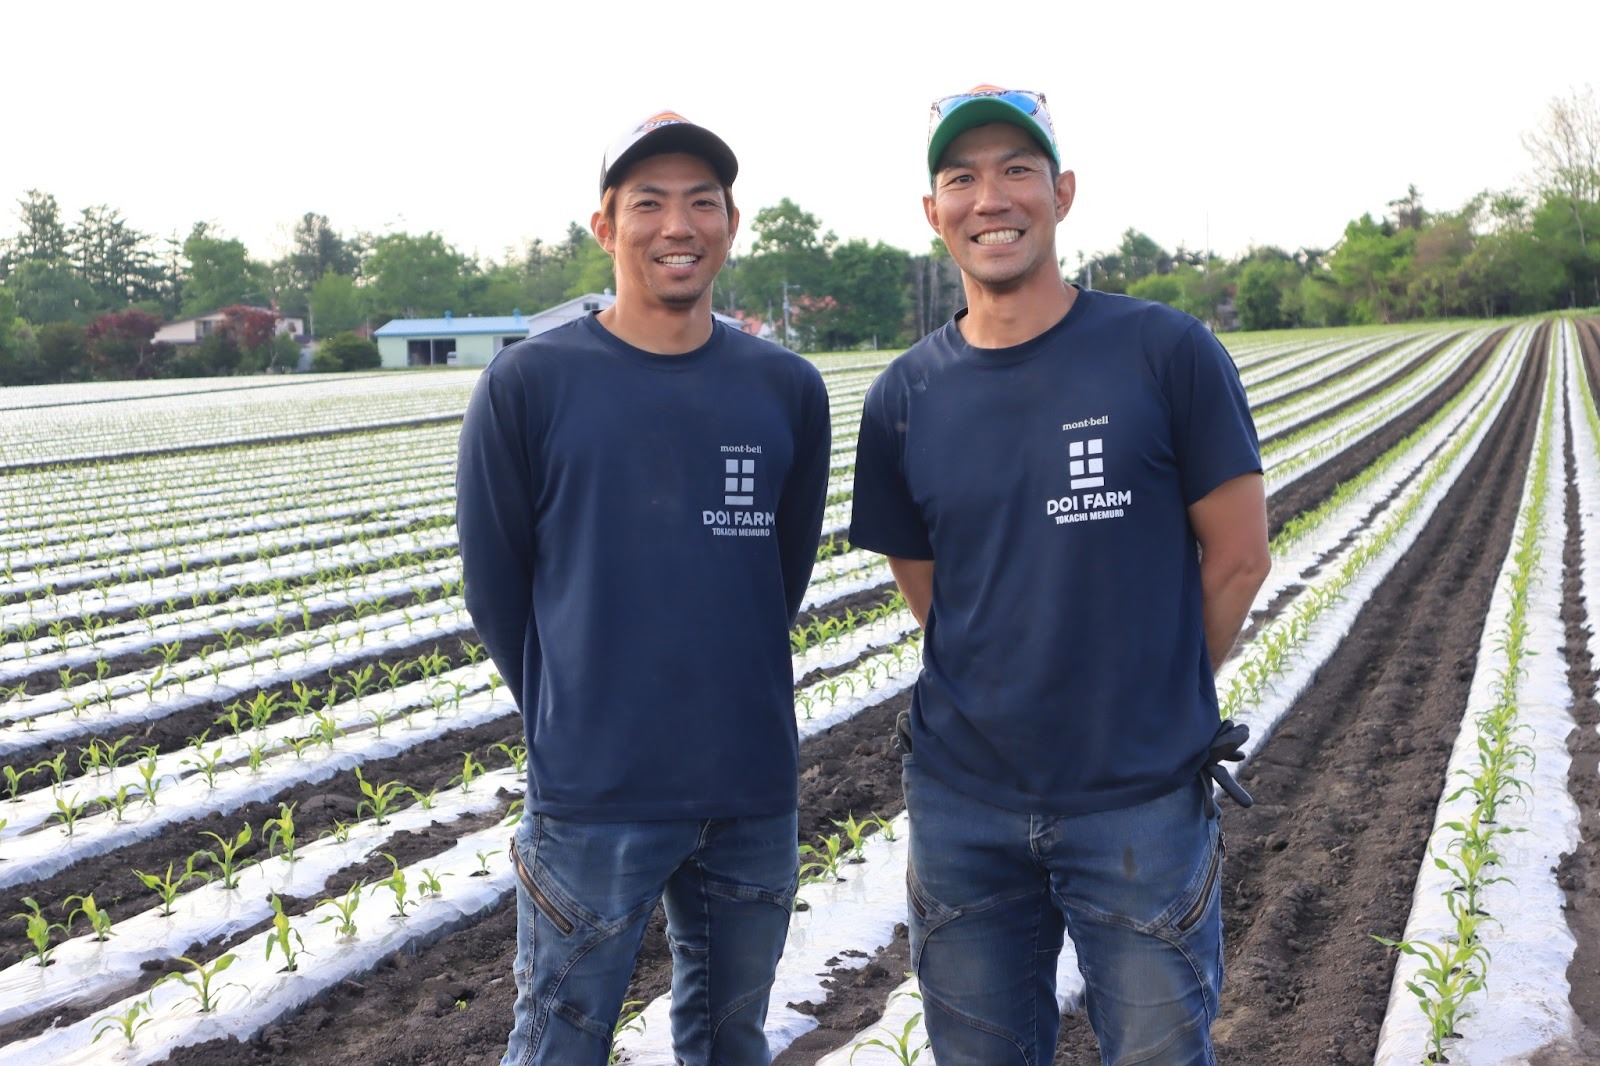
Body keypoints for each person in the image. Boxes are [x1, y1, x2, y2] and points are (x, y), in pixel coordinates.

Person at [848, 86, 1270, 1065]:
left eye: (1015, 171)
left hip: (1137, 805)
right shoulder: (903, 397)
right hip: (962, 809)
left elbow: (1239, 556)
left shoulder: (1165, 352)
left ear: (1061, 193)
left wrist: (1147, 697)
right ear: (932, 211)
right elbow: (937, 600)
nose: (989, 197)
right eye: (962, 177)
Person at [456, 110, 831, 1066]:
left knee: (728, 1038)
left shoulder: (786, 388)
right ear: (604, 226)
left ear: (731, 223)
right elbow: (498, 590)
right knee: (558, 1042)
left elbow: (775, 576)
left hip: (749, 790)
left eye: (702, 202)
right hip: (596, 795)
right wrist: (574, 714)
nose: (679, 225)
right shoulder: (530, 384)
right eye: (650, 203)